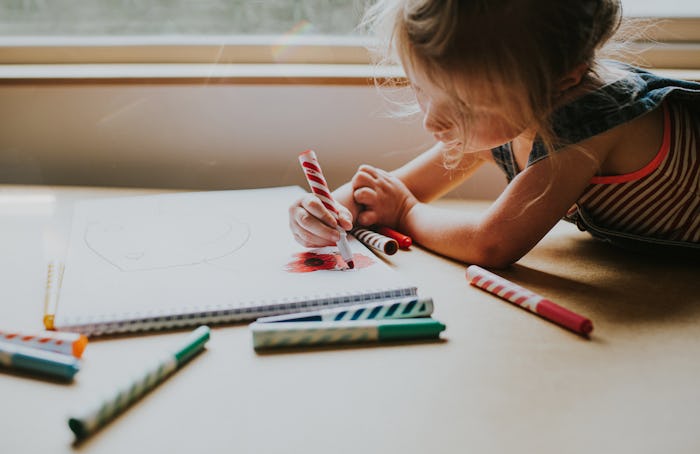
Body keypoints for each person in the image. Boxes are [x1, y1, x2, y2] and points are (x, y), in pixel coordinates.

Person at [289, 0, 700, 268]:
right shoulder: (511, 111)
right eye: (421, 88)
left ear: (562, 80)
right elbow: (391, 191)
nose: (433, 122)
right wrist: (332, 210)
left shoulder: (589, 120)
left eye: (464, 107)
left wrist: (406, 213)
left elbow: (492, 245)